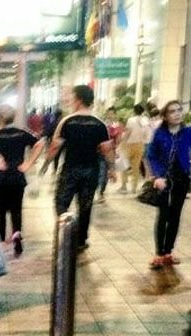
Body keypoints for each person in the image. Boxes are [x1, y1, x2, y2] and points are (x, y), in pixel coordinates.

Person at [47, 85, 113, 251]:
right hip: (91, 170)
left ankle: (65, 235)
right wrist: (111, 169)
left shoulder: (67, 121)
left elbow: (55, 146)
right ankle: (81, 240)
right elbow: (106, 150)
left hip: (70, 170)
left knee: (61, 203)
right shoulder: (100, 124)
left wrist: (47, 162)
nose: (70, 100)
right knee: (85, 205)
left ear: (78, 100)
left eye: (72, 97)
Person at [0, 105, 45, 255]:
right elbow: (40, 143)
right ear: (13, 117)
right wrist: (28, 163)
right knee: (16, 210)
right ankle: (17, 237)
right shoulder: (22, 133)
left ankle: (1, 243)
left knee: (0, 211)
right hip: (17, 177)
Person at [146, 100, 191, 269]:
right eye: (172, 111)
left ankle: (168, 252)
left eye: (179, 110)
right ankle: (159, 253)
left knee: (175, 215)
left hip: (181, 178)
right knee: (163, 214)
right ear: (165, 116)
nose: (177, 114)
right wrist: (157, 176)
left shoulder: (188, 132)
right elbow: (151, 155)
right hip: (164, 179)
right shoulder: (159, 133)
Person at [119, 104, 149, 194]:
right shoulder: (145, 120)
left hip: (129, 144)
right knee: (136, 167)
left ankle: (124, 185)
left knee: (124, 165)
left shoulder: (131, 120)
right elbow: (147, 134)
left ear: (134, 111)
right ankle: (134, 188)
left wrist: (122, 143)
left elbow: (128, 132)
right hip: (140, 144)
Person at [96, 107, 122, 203]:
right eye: (109, 113)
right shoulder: (102, 124)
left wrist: (117, 150)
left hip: (111, 152)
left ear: (115, 114)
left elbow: (119, 140)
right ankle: (99, 192)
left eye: (112, 113)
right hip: (101, 151)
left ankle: (101, 191)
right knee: (102, 171)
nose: (110, 115)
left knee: (107, 173)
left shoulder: (117, 126)